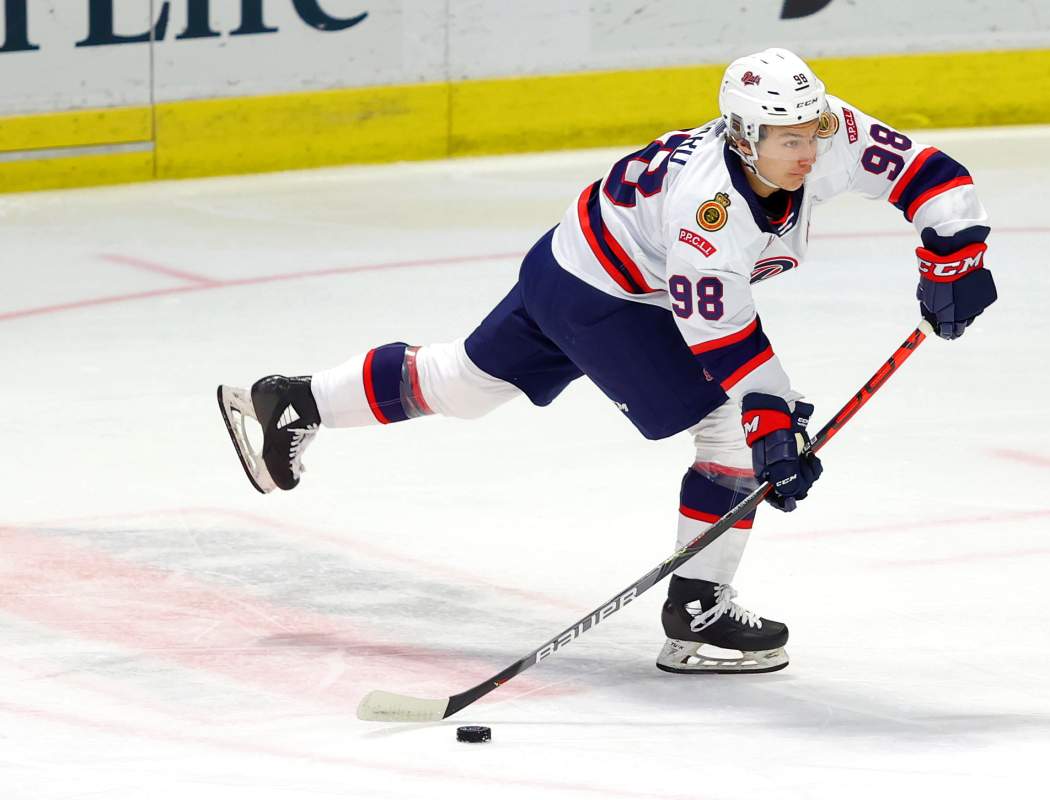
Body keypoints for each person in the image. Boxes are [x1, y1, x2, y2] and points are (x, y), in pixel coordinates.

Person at [217, 48, 996, 676]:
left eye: (813, 132)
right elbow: (720, 333)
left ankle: (293, 400)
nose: (809, 149)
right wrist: (770, 427)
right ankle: (699, 613)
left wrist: (954, 256)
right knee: (734, 429)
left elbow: (930, 175)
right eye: (789, 139)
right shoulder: (710, 214)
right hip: (610, 298)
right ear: (741, 136)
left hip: (568, 259)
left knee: (462, 384)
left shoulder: (822, 132)